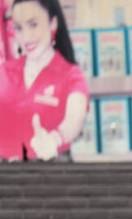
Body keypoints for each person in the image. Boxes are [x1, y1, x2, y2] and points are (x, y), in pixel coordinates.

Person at [4, 0, 89, 160]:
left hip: (52, 174)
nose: (26, 37)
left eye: (33, 25)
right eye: (18, 28)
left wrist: (54, 139)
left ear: (53, 24)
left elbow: (73, 121)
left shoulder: (71, 75)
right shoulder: (5, 72)